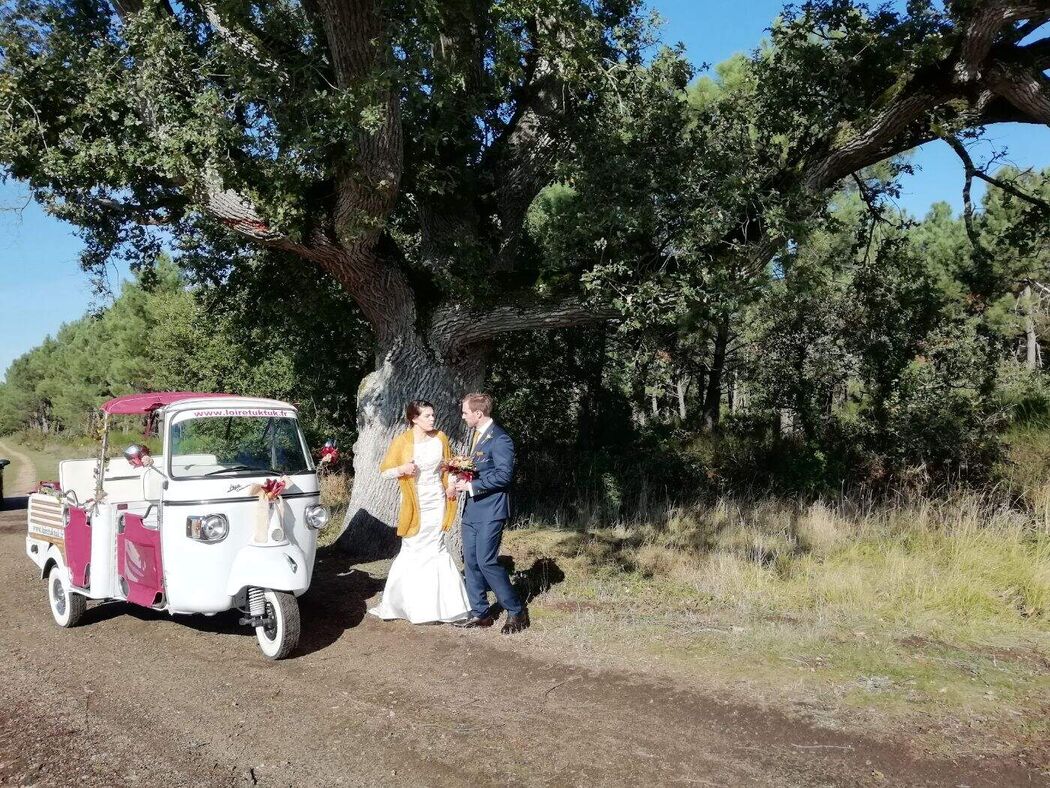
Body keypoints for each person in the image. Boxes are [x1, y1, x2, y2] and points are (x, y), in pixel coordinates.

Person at [368, 400, 470, 624]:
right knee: (413, 548)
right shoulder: (402, 442)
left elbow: (447, 467)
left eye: (433, 415)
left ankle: (445, 608)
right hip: (415, 503)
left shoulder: (440, 438)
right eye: (427, 416)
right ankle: (406, 604)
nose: (432, 419)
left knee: (437, 548)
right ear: (414, 419)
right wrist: (402, 469)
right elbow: (384, 471)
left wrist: (451, 484)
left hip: (437, 500)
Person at [452, 392, 529, 635]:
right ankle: (481, 613)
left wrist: (471, 486)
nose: (463, 417)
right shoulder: (477, 436)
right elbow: (481, 470)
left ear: (478, 413)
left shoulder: (500, 439)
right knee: (472, 561)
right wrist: (461, 477)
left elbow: (504, 476)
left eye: (465, 412)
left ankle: (516, 610)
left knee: (486, 561)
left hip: (492, 509)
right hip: (472, 510)